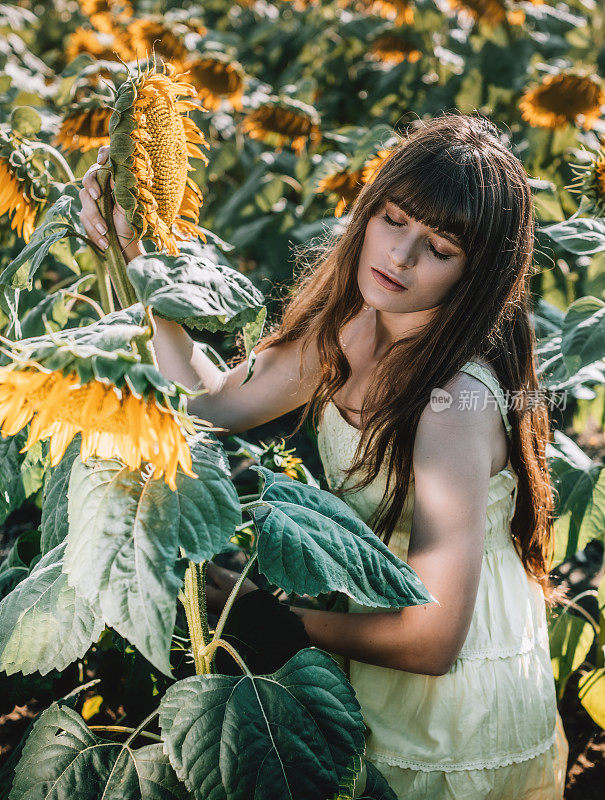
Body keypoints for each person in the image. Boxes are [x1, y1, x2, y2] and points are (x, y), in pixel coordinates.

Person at [79, 111, 569, 800]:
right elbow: (212, 398)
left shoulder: (450, 405)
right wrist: (137, 258)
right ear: (368, 210)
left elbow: (433, 641)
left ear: (475, 274)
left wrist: (267, 619)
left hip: (454, 705)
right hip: (372, 639)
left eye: (438, 247)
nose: (399, 256)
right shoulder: (355, 330)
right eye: (394, 219)